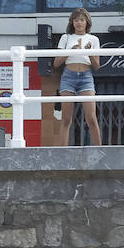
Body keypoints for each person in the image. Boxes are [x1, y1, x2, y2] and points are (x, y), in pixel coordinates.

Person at [52, 8, 102, 146]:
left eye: (82, 20)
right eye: (75, 20)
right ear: (71, 22)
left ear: (87, 22)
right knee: (66, 118)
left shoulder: (93, 39)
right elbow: (56, 63)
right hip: (68, 76)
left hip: (86, 76)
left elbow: (97, 65)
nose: (79, 23)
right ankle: (63, 152)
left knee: (91, 117)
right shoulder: (66, 37)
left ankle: (100, 150)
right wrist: (70, 51)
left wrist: (89, 51)